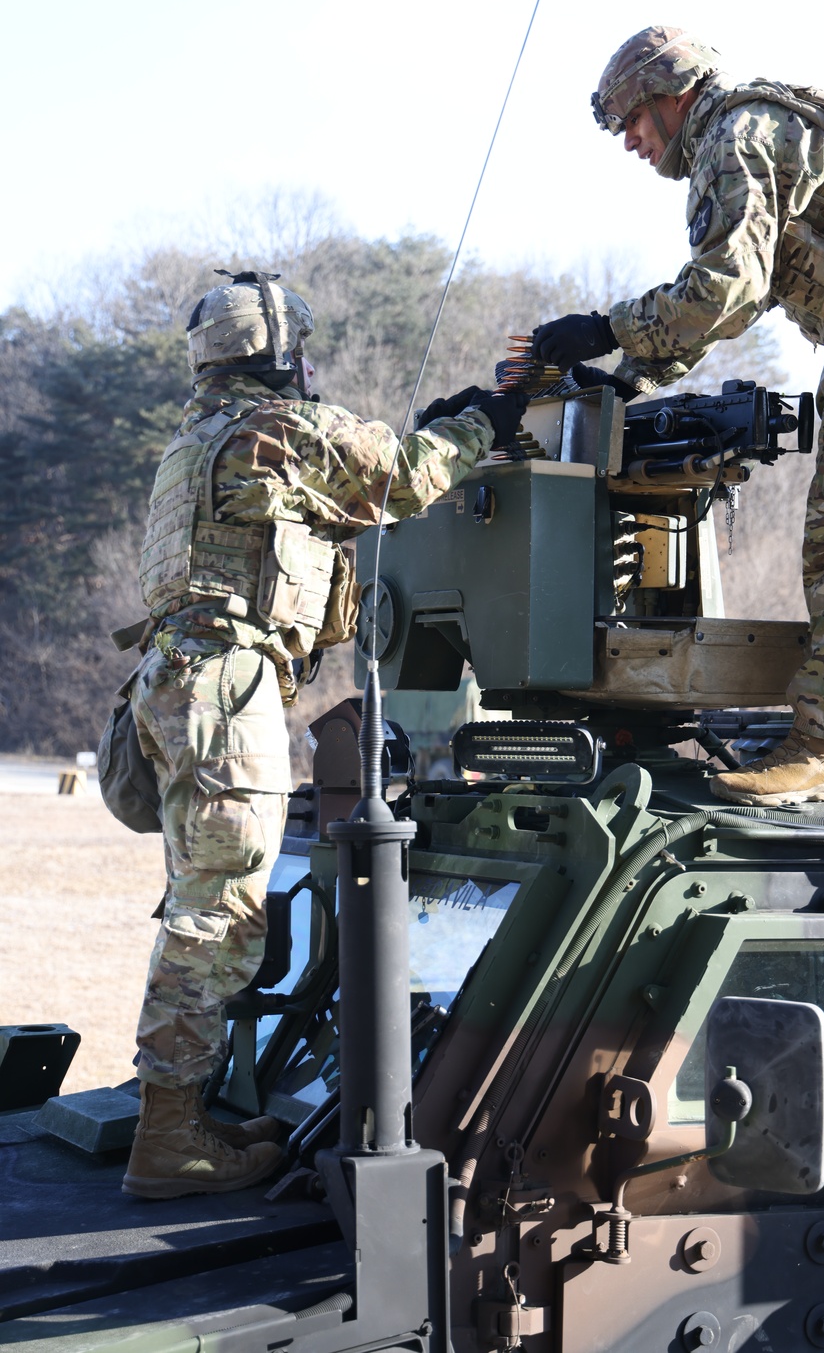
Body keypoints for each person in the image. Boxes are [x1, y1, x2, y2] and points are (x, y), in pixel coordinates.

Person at [123, 270, 525, 1199]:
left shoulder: (194, 441)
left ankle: (184, 1116)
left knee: (202, 901)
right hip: (226, 688)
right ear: (279, 354)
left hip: (184, 683)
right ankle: (169, 1138)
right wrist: (482, 428)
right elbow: (405, 475)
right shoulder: (276, 429)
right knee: (220, 911)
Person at [532, 25, 824, 811]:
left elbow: (725, 290)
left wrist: (606, 327)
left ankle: (818, 748)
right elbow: (730, 298)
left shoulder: (731, 135)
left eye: (633, 122)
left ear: (670, 95)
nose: (631, 143)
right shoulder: (745, 131)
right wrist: (629, 374)